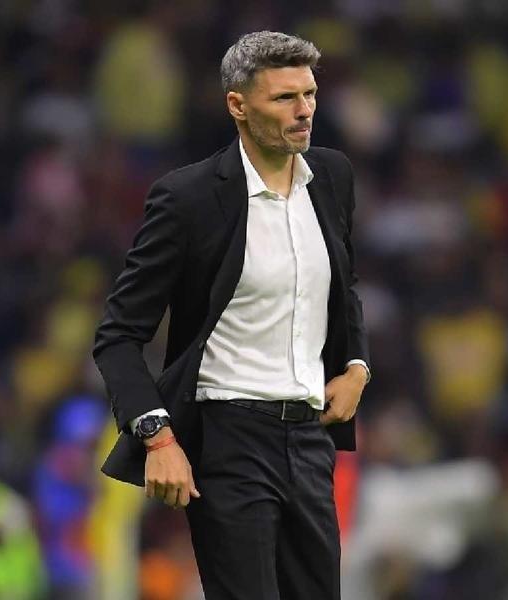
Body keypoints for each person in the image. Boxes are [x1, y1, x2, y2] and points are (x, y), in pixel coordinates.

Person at [92, 31, 370, 600]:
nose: (304, 112)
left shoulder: (333, 177)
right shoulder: (189, 197)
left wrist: (357, 366)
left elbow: (344, 285)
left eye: (310, 94)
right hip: (228, 436)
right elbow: (118, 335)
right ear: (237, 106)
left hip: (311, 439)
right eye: (284, 98)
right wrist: (157, 435)